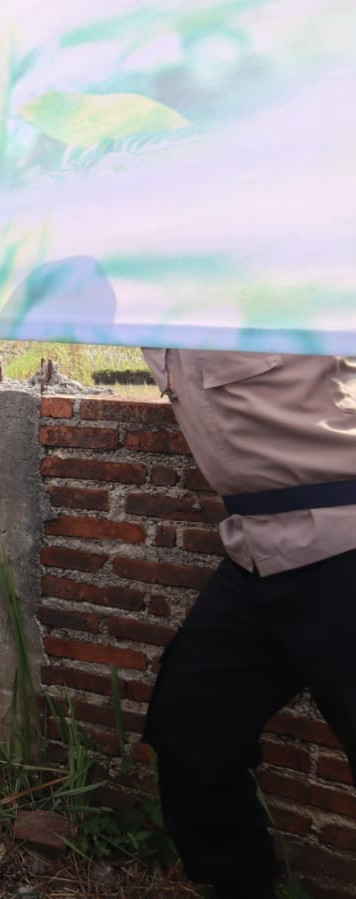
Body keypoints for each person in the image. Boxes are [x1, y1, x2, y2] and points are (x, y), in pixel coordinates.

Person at [139, 350, 356, 899]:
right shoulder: (155, 311)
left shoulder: (297, 292)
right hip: (256, 550)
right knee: (190, 726)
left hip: (345, 537)